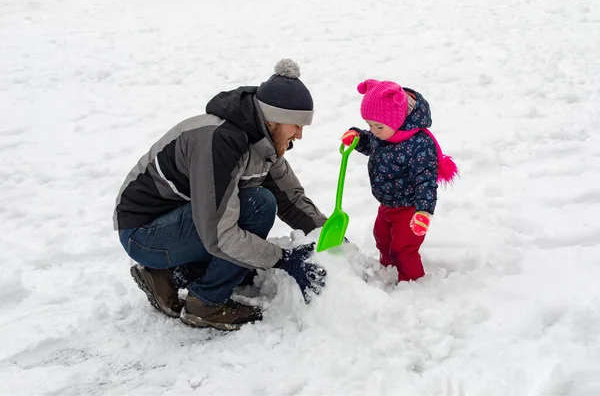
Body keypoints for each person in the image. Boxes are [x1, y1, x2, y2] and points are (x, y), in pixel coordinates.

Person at [114, 59, 327, 331]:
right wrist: (284, 259)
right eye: (296, 125)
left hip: (176, 223)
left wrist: (327, 235)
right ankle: (206, 303)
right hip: (143, 234)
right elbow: (220, 235)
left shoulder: (263, 141)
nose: (299, 134)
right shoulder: (220, 141)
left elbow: (291, 199)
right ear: (273, 119)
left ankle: (174, 273)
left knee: (253, 207)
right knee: (258, 205)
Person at [341, 79, 457, 282]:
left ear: (397, 121)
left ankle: (412, 283)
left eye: (377, 126)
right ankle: (388, 270)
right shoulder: (384, 133)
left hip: (410, 208)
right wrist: (358, 138)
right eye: (369, 125)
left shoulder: (420, 145)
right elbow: (371, 142)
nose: (373, 131)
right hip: (388, 203)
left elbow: (425, 181)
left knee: (403, 248)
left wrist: (423, 212)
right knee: (382, 238)